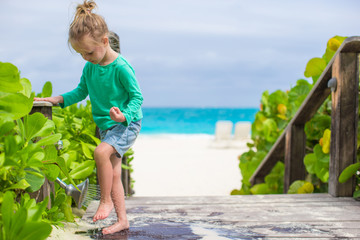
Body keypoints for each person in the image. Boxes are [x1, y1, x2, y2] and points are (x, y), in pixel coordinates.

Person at [34, 0, 143, 235]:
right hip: (107, 126)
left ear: (105, 41)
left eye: (89, 52)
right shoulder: (90, 67)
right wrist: (59, 99)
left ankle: (105, 201)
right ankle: (122, 220)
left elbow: (137, 98)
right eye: (81, 53)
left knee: (100, 152)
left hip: (127, 123)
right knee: (113, 173)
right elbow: (81, 92)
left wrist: (124, 114)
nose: (85, 57)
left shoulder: (121, 67)